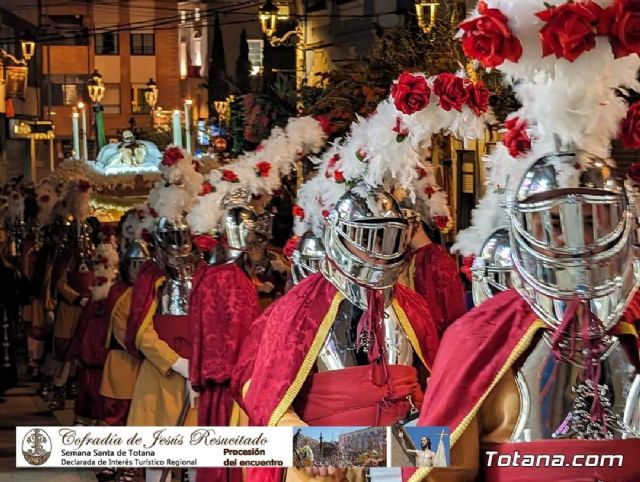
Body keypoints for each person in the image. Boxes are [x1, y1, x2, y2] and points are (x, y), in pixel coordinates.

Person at [407, 152, 640, 482]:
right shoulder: (477, 334)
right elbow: (431, 460)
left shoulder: (632, 326)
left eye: (589, 222)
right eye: (555, 223)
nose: (573, 240)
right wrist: (320, 449)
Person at [240, 183, 440, 482]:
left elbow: (439, 391)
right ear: (341, 236)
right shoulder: (298, 307)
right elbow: (261, 392)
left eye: (388, 240)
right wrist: (299, 437)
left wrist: (430, 442)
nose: (379, 254)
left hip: (405, 459)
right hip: (328, 465)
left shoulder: (413, 306)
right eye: (367, 239)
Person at [124, 217, 199, 482]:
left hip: (199, 377)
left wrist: (199, 368)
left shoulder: (204, 272)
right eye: (172, 237)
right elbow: (142, 332)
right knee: (158, 457)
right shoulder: (151, 275)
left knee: (198, 457)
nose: (178, 245)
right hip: (159, 377)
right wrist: (177, 363)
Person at [401, 217, 466, 336]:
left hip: (437, 337)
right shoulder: (408, 258)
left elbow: (452, 306)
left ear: (417, 225)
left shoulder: (438, 258)